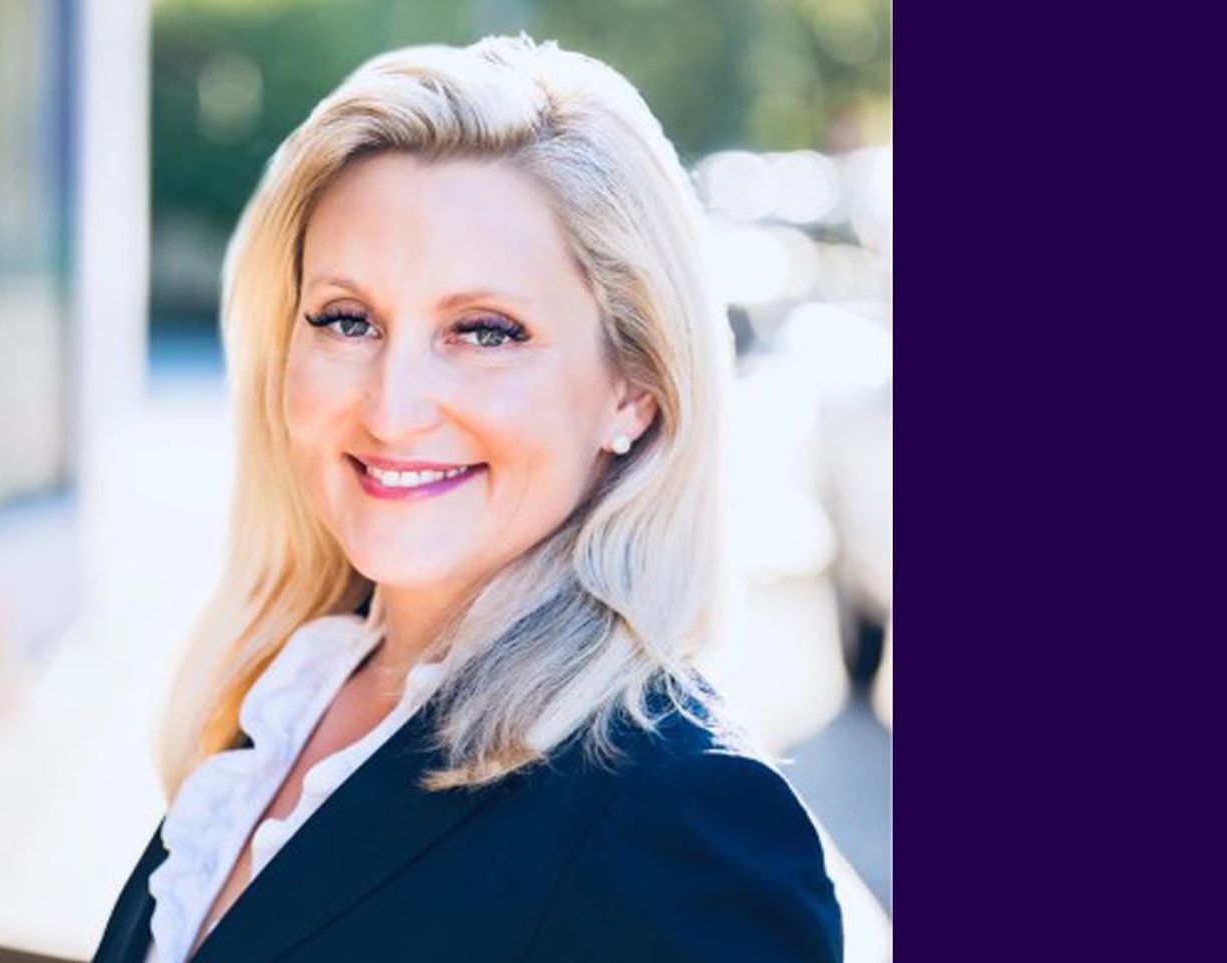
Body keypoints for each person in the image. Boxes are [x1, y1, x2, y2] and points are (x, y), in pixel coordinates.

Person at [92, 35, 842, 963]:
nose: (392, 407)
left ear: (633, 391)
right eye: (346, 318)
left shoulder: (682, 820)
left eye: (485, 331)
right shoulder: (282, 700)